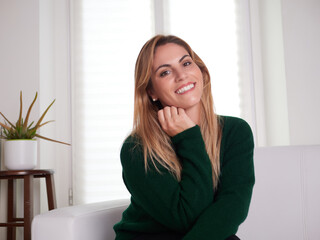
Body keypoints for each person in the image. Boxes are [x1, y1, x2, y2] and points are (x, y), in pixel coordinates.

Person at [113, 35, 255, 240]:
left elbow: (233, 207)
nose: (181, 75)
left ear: (202, 72)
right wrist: (188, 138)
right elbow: (185, 217)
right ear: (151, 91)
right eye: (165, 72)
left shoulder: (235, 131)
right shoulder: (137, 148)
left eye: (186, 63)